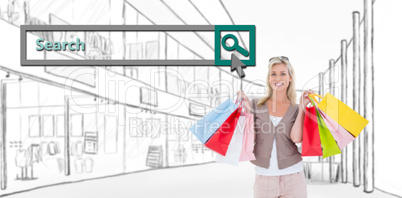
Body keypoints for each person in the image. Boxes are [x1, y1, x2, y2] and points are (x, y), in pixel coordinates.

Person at [237, 56, 314, 198]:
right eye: (273, 74)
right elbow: (251, 137)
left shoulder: (296, 109)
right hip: (264, 179)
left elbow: (296, 138)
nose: (277, 78)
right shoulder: (256, 104)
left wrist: (303, 107)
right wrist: (247, 110)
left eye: (283, 73)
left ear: (290, 78)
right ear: (269, 78)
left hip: (294, 177)